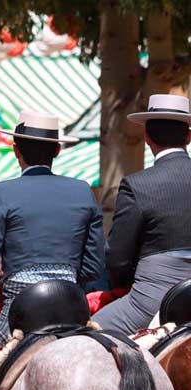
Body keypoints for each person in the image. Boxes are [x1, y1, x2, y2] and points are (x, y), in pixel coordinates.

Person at [0, 110, 104, 374]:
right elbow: (94, 266)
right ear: (57, 150)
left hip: (20, 309)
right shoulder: (82, 190)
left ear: (16, 150)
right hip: (70, 305)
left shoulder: (2, 192)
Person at [93, 94, 191, 334]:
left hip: (152, 298)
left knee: (88, 335)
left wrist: (124, 285)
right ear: (188, 136)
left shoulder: (137, 184)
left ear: (147, 137)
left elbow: (118, 258)